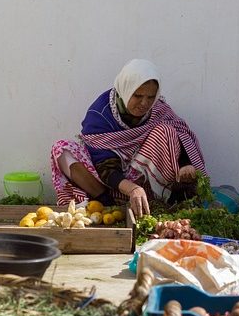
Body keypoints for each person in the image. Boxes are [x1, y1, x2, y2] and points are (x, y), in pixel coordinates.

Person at [50, 59, 206, 217]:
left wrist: (184, 164)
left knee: (166, 131)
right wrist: (132, 189)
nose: (144, 103)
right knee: (61, 149)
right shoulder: (100, 114)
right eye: (137, 96)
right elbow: (105, 167)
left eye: (151, 97)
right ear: (125, 90)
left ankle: (171, 201)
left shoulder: (158, 109)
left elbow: (180, 133)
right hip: (113, 183)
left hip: (144, 179)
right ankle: (108, 203)